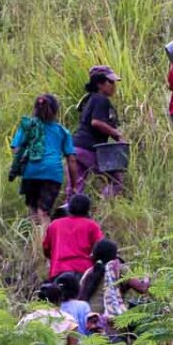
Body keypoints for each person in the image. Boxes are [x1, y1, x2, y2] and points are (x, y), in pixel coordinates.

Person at [10, 94, 79, 224]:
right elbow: (72, 159)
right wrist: (74, 185)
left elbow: (16, 149)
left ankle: (36, 241)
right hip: (52, 174)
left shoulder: (28, 127)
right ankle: (46, 242)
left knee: (33, 211)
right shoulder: (62, 131)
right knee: (44, 212)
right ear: (55, 110)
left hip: (31, 172)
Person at [71, 65, 125, 199]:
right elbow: (96, 122)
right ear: (99, 84)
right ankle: (105, 207)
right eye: (110, 82)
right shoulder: (101, 100)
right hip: (89, 148)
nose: (113, 86)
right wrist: (116, 134)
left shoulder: (89, 99)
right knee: (116, 181)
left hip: (76, 147)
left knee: (76, 187)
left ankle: (68, 213)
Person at [78, 239, 149, 331]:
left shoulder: (89, 273)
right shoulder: (120, 269)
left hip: (89, 320)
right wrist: (147, 278)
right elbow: (142, 288)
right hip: (109, 320)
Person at [42, 194, 103, 280]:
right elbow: (101, 248)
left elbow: (46, 248)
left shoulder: (55, 225)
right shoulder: (92, 225)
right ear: (87, 209)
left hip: (58, 270)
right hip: (83, 270)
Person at [16, 281, 79, 345]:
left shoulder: (28, 319)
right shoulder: (69, 320)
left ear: (38, 300)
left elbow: (17, 342)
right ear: (59, 299)